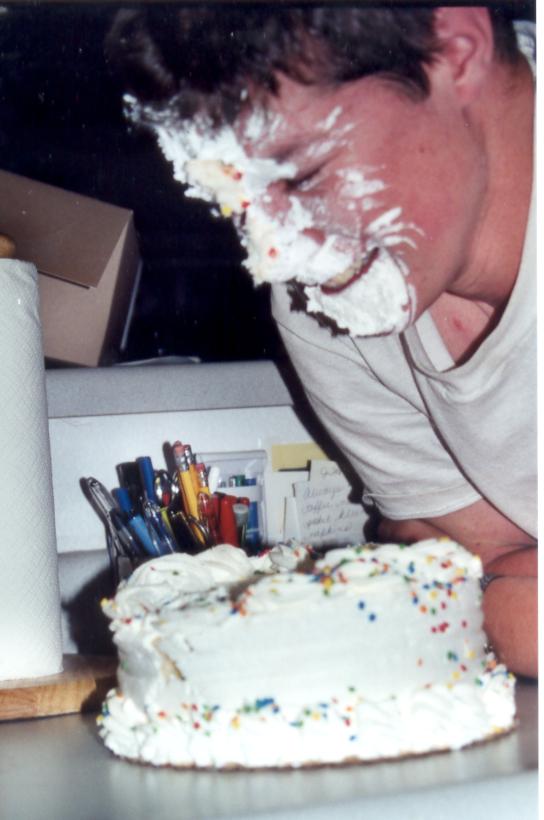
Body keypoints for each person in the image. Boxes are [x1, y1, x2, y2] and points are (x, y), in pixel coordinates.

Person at [106, 4, 537, 676]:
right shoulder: (326, 308)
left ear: (455, 48)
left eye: (303, 176)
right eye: (238, 204)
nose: (277, 254)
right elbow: (473, 579)